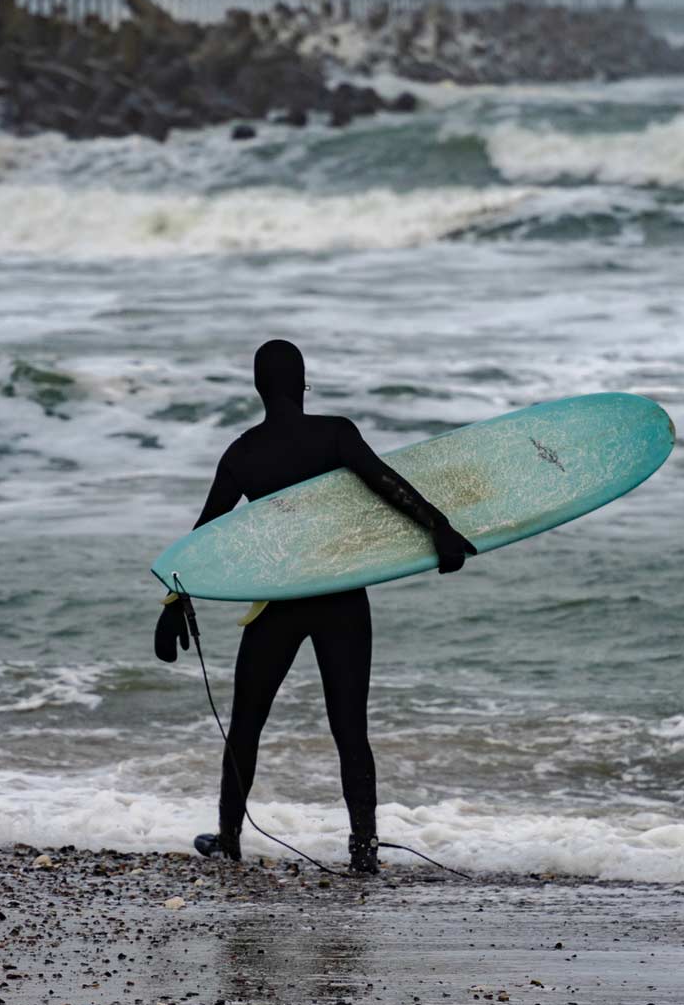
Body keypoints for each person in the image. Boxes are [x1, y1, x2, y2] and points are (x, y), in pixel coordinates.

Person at [155, 339, 476, 874]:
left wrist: (173, 597)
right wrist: (438, 527)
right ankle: (364, 850)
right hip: (340, 598)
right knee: (350, 728)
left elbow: (204, 537)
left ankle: (230, 840)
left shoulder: (242, 453)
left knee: (247, 726)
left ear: (258, 388)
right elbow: (386, 484)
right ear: (305, 382)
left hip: (278, 603)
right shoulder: (335, 433)